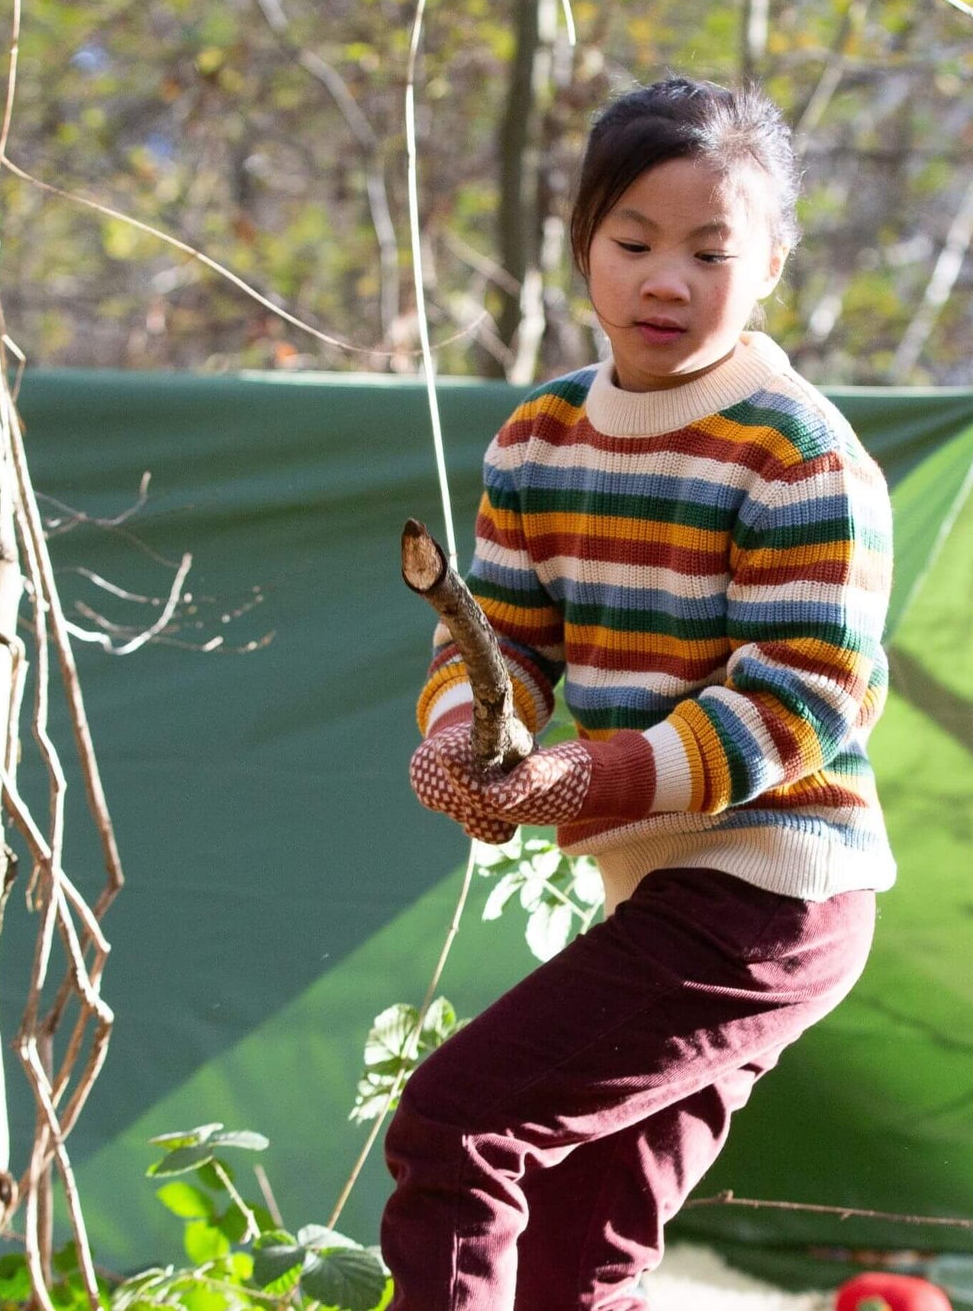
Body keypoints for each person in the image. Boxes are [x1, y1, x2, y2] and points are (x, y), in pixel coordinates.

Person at [383, 76, 897, 1311]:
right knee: (577, 1255)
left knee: (457, 1123)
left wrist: (578, 776)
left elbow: (797, 701)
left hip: (771, 892)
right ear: (582, 246)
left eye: (710, 252)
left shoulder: (798, 453)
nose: (666, 281)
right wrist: (465, 735)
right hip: (662, 887)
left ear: (768, 266)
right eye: (633, 242)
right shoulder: (541, 437)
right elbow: (502, 639)